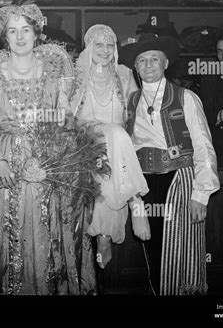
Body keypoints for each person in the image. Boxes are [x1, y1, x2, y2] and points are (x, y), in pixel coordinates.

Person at [0, 4, 97, 295]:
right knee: (10, 234)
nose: (19, 36)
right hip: (7, 160)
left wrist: (58, 157)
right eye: (12, 31)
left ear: (36, 32)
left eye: (25, 29)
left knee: (51, 229)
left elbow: (65, 118)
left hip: (49, 159)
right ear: (4, 35)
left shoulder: (54, 68)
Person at [119, 34, 220, 295]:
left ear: (165, 63)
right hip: (145, 183)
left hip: (179, 180)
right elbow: (126, 151)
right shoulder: (130, 102)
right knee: (152, 249)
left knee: (181, 248)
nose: (148, 65)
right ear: (136, 67)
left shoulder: (186, 97)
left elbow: (203, 145)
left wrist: (201, 193)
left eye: (154, 59)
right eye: (142, 60)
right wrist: (134, 199)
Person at [68, 24, 150, 270]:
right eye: (99, 44)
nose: (105, 50)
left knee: (113, 151)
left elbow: (136, 113)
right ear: (89, 47)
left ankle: (103, 239)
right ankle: (136, 200)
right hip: (82, 143)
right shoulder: (75, 75)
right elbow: (64, 116)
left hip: (118, 146)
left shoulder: (123, 73)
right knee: (113, 137)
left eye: (110, 44)